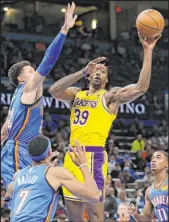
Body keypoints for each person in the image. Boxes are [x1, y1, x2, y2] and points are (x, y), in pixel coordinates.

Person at [49, 33, 161, 221]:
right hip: (72, 156)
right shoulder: (77, 94)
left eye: (103, 72)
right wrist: (82, 71)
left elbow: (141, 87)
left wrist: (148, 51)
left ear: (106, 80)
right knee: (74, 216)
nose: (98, 72)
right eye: (96, 70)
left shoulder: (110, 97)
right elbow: (54, 90)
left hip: (94, 156)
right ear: (89, 75)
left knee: (95, 215)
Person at [1, 2, 77, 191]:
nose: (34, 72)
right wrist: (64, 30)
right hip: (21, 150)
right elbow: (48, 60)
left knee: (21, 199)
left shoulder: (16, 99)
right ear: (20, 78)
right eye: (30, 71)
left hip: (18, 149)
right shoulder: (28, 89)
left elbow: (3, 132)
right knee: (23, 195)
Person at [8, 135, 100, 222]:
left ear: (29, 154)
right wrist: (83, 165)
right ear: (49, 152)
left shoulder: (18, 175)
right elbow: (94, 197)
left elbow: (16, 195)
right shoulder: (56, 173)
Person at [128, 150, 168, 222]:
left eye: (158, 157)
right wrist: (135, 214)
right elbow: (147, 219)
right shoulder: (149, 191)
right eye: (152, 158)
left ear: (167, 164)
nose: (153, 160)